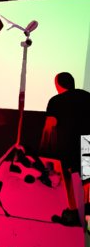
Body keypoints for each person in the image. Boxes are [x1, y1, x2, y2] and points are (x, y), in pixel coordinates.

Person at [40, 72, 90, 226]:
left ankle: (73, 212)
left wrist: (43, 150)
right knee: (87, 176)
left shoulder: (55, 101)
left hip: (68, 144)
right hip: (87, 141)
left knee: (69, 177)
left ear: (58, 85)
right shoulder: (87, 96)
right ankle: (86, 211)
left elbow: (49, 127)